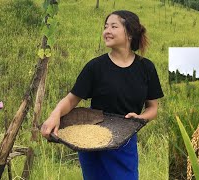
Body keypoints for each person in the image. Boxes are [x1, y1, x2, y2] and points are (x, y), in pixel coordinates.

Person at [41, 10, 164, 180]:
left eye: (114, 26)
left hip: (125, 141)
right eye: (105, 27)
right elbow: (71, 100)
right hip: (92, 141)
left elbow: (153, 108)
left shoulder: (146, 68)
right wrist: (54, 115)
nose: (107, 31)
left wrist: (140, 117)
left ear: (129, 33)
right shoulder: (95, 67)